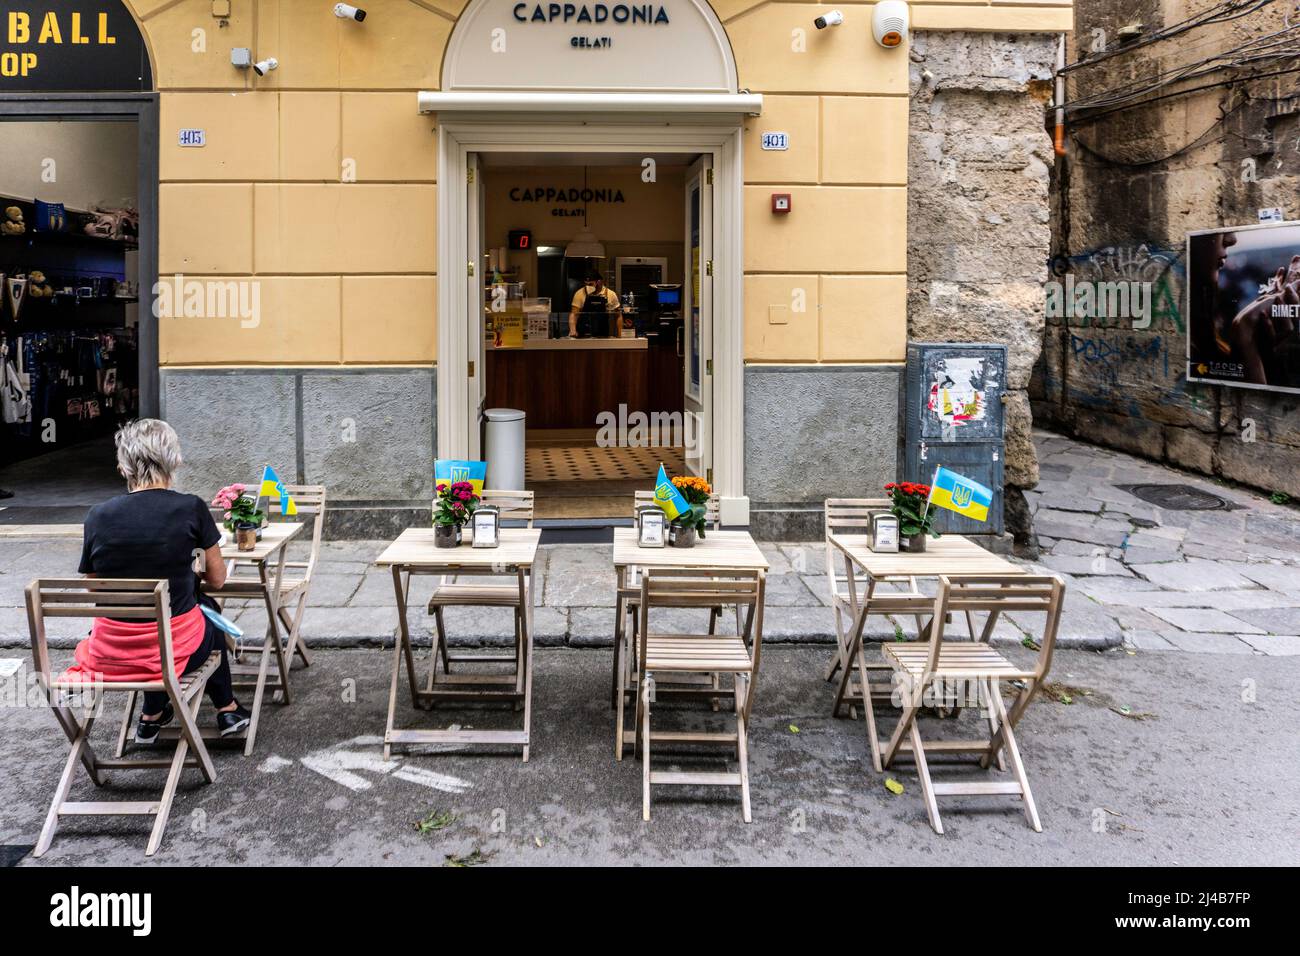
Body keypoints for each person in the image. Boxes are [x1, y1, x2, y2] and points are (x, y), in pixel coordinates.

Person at [68, 418, 249, 742]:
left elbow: (95, 587)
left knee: (169, 616)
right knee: (209, 618)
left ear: (124, 466)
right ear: (174, 459)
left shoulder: (98, 515)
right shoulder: (190, 508)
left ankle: (151, 715)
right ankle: (227, 709)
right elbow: (218, 579)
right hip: (174, 650)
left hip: (110, 653)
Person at [568, 269, 623, 338]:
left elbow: (618, 315)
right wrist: (573, 330)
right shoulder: (580, 293)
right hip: (584, 333)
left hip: (603, 333)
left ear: (599, 282)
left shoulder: (610, 294)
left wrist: (620, 334)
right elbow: (574, 314)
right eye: (586, 284)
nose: (588, 286)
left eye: (590, 284)